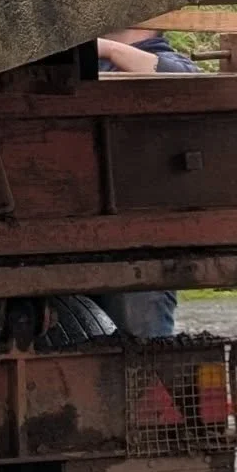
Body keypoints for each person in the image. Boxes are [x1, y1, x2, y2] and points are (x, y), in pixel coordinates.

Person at [95, 26, 204, 339]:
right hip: (83, 234)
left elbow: (189, 81)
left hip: (141, 240)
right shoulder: (90, 63)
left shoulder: (164, 58)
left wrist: (109, 50)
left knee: (144, 350)